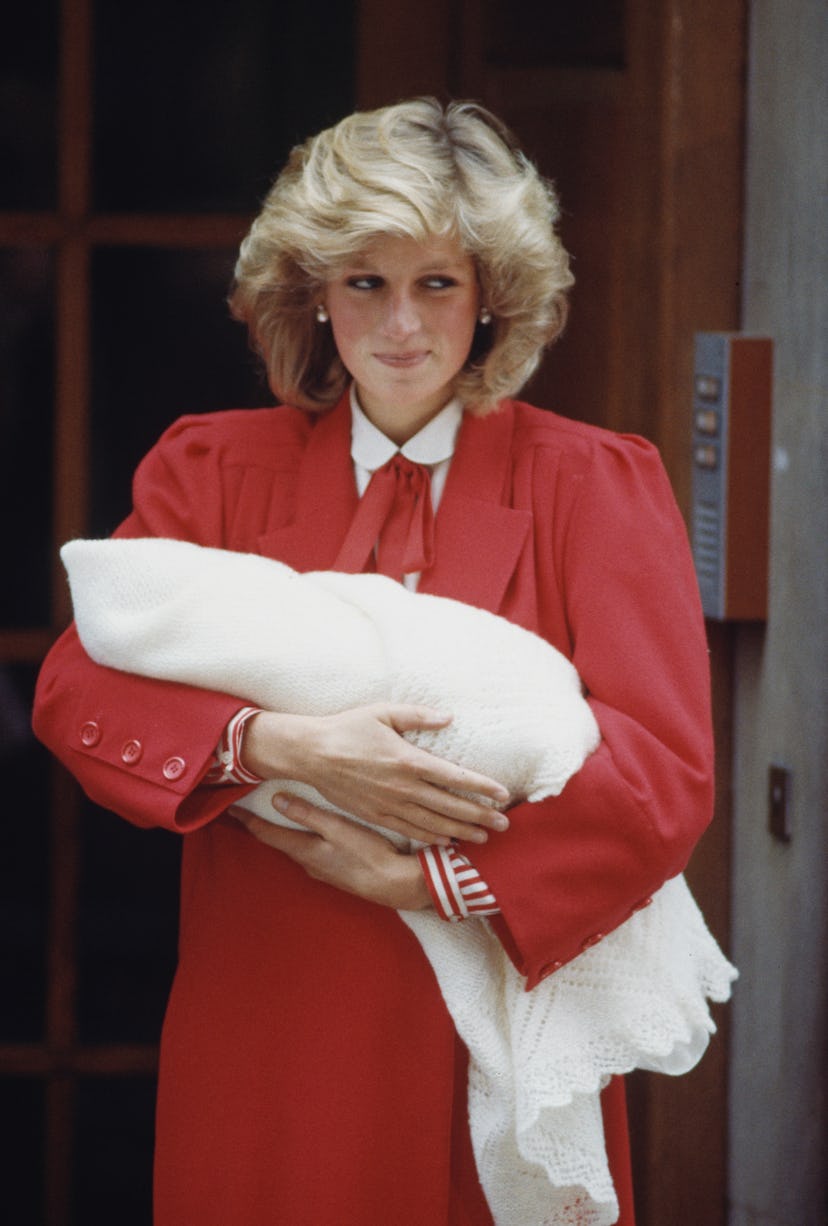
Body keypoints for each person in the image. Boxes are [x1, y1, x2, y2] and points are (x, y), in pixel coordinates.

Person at [33, 98, 715, 1226]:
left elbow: (663, 774)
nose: (402, 325)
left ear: (493, 288)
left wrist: (427, 880)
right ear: (314, 292)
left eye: (436, 283)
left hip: (482, 1005)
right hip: (263, 1000)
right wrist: (278, 744)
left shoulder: (595, 482)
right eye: (365, 283)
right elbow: (73, 685)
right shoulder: (210, 468)